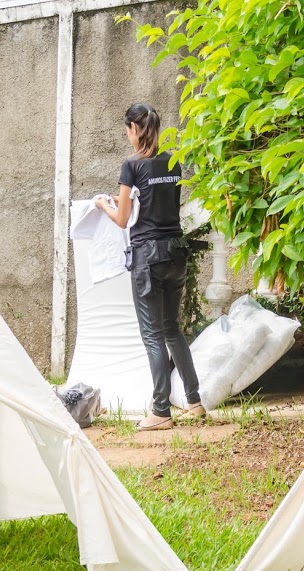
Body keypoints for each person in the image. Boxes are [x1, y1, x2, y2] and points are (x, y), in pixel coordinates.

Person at [95, 103, 204, 431]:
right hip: (176, 254)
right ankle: (195, 401)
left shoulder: (131, 166)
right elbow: (160, 205)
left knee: (154, 335)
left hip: (148, 259)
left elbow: (124, 218)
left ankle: (160, 411)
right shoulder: (173, 162)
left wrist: (103, 205)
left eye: (127, 129)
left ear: (133, 129)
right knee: (172, 329)